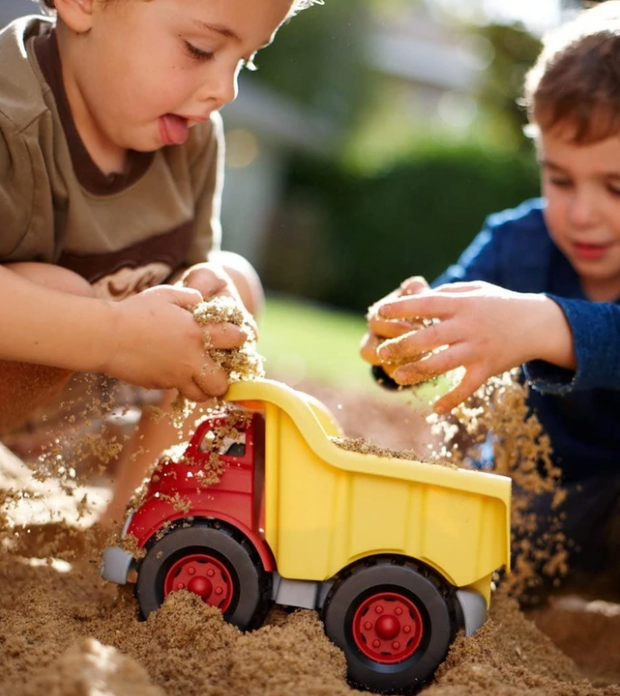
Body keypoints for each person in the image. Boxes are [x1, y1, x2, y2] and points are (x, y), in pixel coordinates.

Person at [0, 0, 313, 523]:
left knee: (232, 288)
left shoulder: (191, 138)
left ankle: (127, 526)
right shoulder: (11, 120)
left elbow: (194, 277)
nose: (226, 90)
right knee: (57, 289)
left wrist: (204, 286)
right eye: (201, 49)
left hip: (69, 416)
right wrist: (115, 334)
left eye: (245, 60)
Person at [361, 1, 620, 585]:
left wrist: (541, 324)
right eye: (560, 178)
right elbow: (432, 330)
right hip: (541, 512)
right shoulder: (516, 245)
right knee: (444, 551)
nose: (583, 213)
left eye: (616, 186)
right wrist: (397, 342)